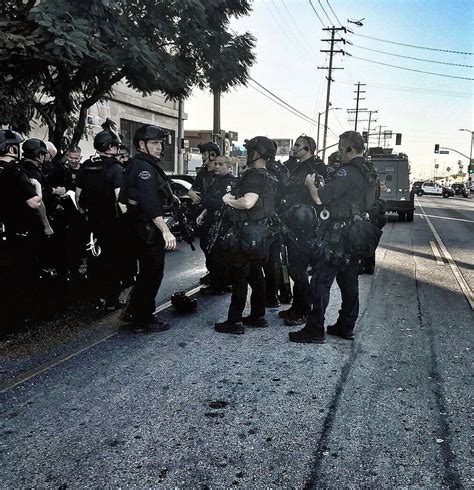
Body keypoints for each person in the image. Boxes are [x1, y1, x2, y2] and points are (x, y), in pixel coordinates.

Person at [288, 130, 369, 343]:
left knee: (320, 281)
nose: (339, 152)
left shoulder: (348, 172)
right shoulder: (368, 171)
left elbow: (319, 198)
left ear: (351, 149)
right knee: (349, 281)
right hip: (357, 232)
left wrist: (310, 185)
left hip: (339, 235)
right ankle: (346, 326)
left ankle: (315, 329)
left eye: (342, 149)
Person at [215, 136, 278, 334]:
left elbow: (248, 202)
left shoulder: (254, 176)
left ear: (257, 153)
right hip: (261, 233)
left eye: (250, 151)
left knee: (240, 276)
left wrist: (229, 201)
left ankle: (234, 322)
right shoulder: (270, 176)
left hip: (246, 232)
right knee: (256, 274)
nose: (247, 154)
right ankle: (258, 316)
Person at [119, 124, 177, 333]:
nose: (159, 147)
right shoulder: (144, 168)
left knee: (146, 274)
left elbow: (124, 198)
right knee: (152, 274)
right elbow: (150, 202)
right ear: (141, 144)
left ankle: (135, 313)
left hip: (140, 228)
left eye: (160, 143)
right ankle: (143, 320)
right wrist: (165, 230)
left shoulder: (140, 165)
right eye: (154, 143)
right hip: (148, 230)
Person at [279, 134, 326, 327]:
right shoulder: (295, 166)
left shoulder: (315, 169)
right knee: (293, 267)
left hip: (306, 226)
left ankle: (304, 310)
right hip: (291, 223)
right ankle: (297, 306)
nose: (294, 147)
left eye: (298, 145)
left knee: (298, 270)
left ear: (308, 149)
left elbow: (319, 197)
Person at [75, 129, 123, 309]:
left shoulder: (86, 166)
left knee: (94, 259)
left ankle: (96, 299)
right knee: (113, 259)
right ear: (110, 147)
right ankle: (111, 299)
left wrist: (84, 213)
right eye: (115, 146)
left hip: (91, 220)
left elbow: (78, 197)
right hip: (111, 222)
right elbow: (120, 198)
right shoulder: (115, 168)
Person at [0, 130, 43, 326]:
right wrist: (36, 186)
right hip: (17, 230)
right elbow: (34, 202)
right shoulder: (14, 171)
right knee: (20, 272)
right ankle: (19, 316)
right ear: (11, 148)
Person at [197, 155, 236, 295]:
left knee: (217, 256)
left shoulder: (230, 182)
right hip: (212, 220)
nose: (217, 166)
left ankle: (218, 285)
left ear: (228, 166)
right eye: (216, 164)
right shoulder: (215, 180)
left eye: (220, 164)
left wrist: (207, 200)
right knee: (211, 254)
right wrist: (203, 213)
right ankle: (219, 282)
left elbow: (223, 204)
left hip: (222, 223)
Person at [188, 141, 219, 284]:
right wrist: (191, 193)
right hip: (203, 214)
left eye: (204, 154)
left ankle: (218, 276)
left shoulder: (219, 172)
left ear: (212, 155)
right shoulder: (202, 173)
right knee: (204, 245)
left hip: (216, 215)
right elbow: (193, 188)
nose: (202, 157)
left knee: (215, 248)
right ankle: (211, 271)